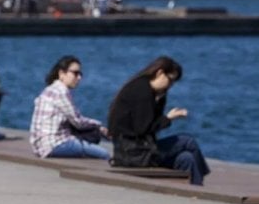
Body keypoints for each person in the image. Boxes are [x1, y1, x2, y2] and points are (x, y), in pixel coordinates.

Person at [108, 56, 210, 186]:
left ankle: (196, 189)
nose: (171, 85)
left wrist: (160, 100)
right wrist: (169, 118)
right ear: (160, 73)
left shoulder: (146, 89)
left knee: (186, 158)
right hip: (135, 154)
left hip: (134, 152)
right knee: (188, 141)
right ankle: (202, 180)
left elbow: (147, 124)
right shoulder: (142, 91)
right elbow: (143, 128)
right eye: (170, 80)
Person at [30, 55, 110, 159]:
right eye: (75, 73)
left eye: (80, 74)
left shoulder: (49, 90)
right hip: (55, 145)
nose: (79, 77)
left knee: (91, 138)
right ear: (61, 74)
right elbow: (78, 122)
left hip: (41, 147)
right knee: (105, 154)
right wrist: (100, 127)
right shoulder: (61, 92)